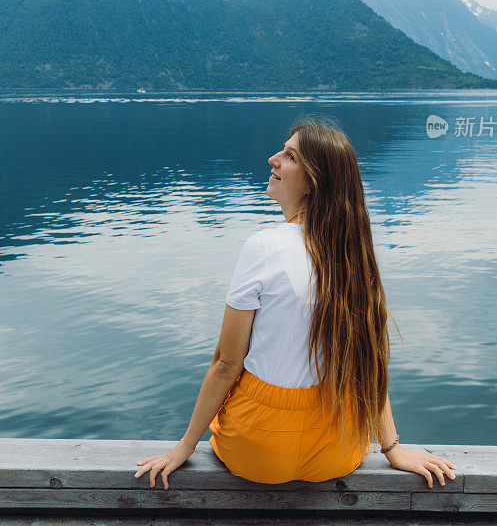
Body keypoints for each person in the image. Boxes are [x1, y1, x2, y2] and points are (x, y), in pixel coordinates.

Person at [134, 116, 456, 488]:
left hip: (259, 450)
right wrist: (393, 449)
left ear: (312, 183)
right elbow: (368, 363)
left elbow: (227, 363)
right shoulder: (352, 256)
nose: (273, 158)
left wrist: (184, 448)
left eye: (289, 156)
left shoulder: (263, 246)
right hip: (336, 451)